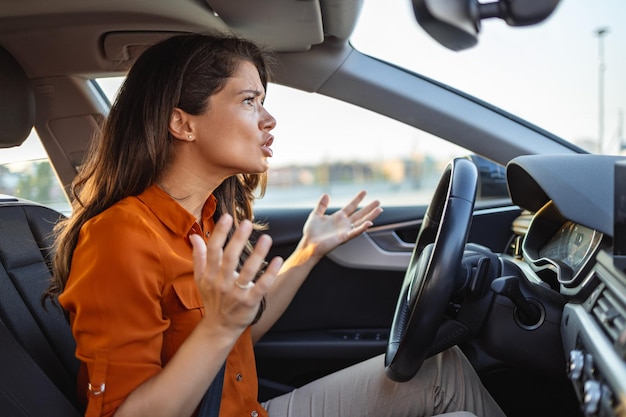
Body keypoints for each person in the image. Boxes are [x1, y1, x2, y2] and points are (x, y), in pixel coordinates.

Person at [47, 32, 506, 417]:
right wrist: (217, 330)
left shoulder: (205, 221)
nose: (269, 120)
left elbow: (239, 330)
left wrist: (309, 250)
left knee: (442, 369)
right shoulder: (118, 236)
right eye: (250, 101)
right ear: (181, 124)